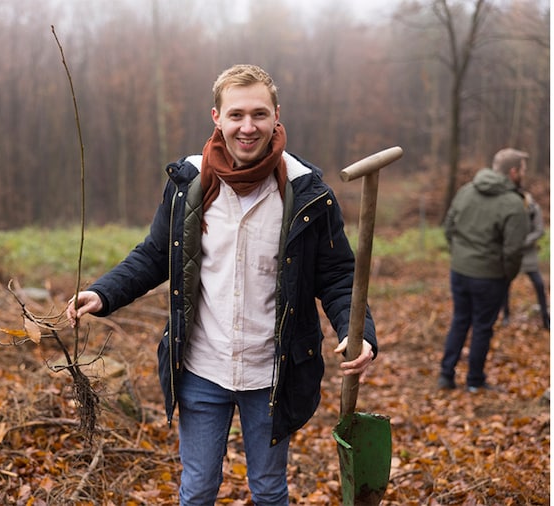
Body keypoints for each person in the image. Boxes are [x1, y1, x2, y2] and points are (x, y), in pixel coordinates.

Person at [65, 64, 377, 504]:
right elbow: (156, 254)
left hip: (273, 372)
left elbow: (339, 276)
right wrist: (104, 292)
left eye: (258, 114)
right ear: (216, 117)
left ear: (276, 116)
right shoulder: (187, 184)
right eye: (236, 115)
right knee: (196, 491)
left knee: (269, 490)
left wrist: (357, 333)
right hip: (201, 369)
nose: (247, 127)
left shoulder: (308, 193)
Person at [437, 148, 531, 393]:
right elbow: (514, 250)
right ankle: (475, 381)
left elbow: (448, 227)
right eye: (523, 169)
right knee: (482, 327)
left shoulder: (466, 191)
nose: (524, 174)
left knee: (460, 320)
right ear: (513, 172)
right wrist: (506, 275)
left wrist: (459, 255)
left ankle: (446, 376)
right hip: (490, 277)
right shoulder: (513, 203)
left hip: (459, 271)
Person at [501, 190, 550, 330]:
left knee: (539, 285)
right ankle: (505, 315)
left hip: (528, 255)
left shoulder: (534, 209)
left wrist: (522, 242)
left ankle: (545, 318)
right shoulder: (507, 208)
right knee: (504, 285)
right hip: (512, 254)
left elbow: (539, 230)